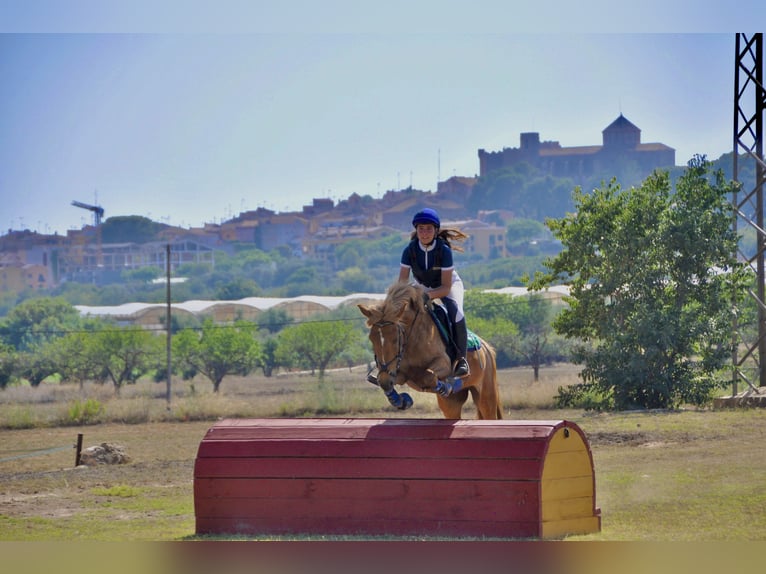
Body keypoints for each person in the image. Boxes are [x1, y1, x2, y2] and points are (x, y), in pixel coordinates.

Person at [398, 208, 471, 377]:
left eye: (429, 229)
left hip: (448, 285)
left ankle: (461, 360)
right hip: (422, 285)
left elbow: (445, 288)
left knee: (457, 313)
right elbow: (402, 284)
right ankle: (395, 360)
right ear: (416, 230)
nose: (424, 233)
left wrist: (427, 296)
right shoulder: (409, 251)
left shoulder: (443, 250)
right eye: (421, 229)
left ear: (436, 230)